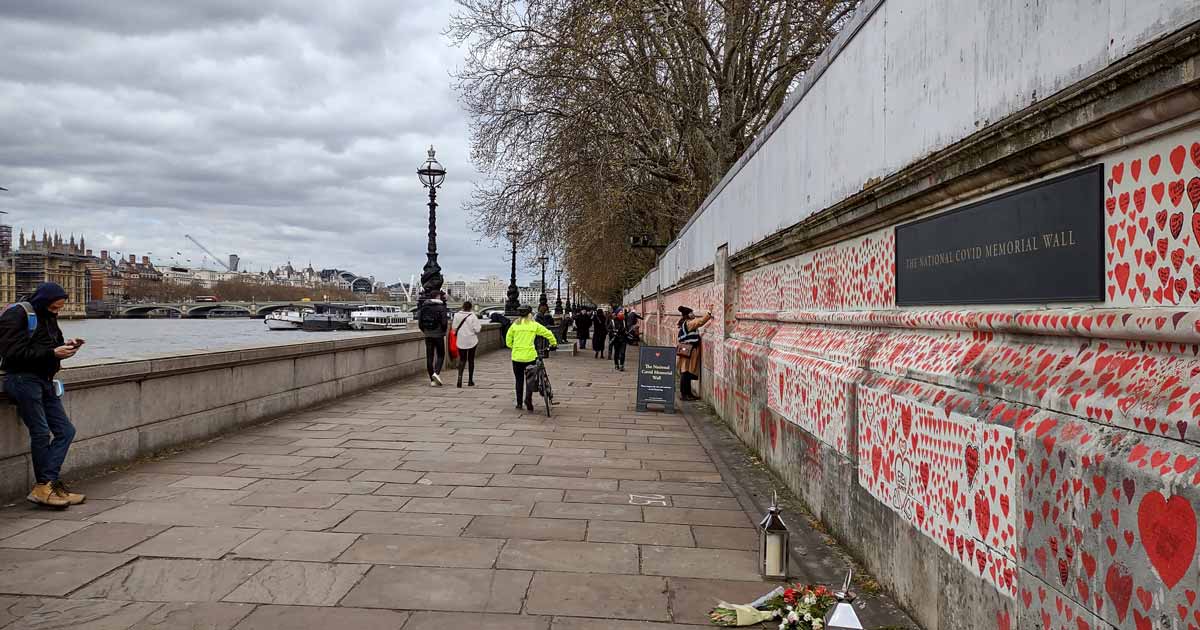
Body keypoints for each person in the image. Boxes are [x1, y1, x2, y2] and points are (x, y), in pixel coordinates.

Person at [0, 283, 86, 507]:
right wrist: (51, 353)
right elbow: (11, 353)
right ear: (44, 300)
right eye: (55, 307)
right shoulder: (17, 314)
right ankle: (45, 487)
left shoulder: (48, 316)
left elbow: (51, 346)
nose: (57, 311)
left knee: (66, 431)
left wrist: (66, 348)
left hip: (45, 381)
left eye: (60, 308)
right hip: (22, 380)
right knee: (40, 433)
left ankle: (47, 485)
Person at [505, 305, 557, 411]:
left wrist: (514, 347)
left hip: (517, 357)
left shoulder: (514, 325)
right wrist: (553, 344)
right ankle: (528, 400)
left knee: (519, 380)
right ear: (529, 314)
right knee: (530, 380)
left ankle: (519, 404)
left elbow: (508, 341)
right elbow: (548, 333)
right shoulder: (534, 325)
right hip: (530, 357)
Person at [676, 305, 714, 401]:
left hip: (688, 350)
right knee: (686, 372)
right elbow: (700, 322)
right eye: (691, 313)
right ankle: (685, 394)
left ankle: (688, 393)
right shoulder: (689, 323)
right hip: (689, 350)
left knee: (687, 371)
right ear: (688, 315)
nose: (693, 314)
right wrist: (709, 313)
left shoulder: (685, 323)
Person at [416, 292, 449, 386]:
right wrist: (443, 331)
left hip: (428, 335)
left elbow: (420, 323)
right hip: (438, 335)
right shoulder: (441, 307)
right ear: (437, 297)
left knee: (429, 357)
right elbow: (444, 323)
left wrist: (426, 331)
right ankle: (436, 373)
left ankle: (432, 380)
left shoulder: (424, 307)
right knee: (441, 355)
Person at [451, 301, 483, 388]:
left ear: (463, 307)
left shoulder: (457, 315)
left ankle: (459, 379)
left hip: (461, 340)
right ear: (470, 307)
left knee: (462, 359)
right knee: (471, 360)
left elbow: (454, 327)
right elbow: (478, 329)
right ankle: (470, 380)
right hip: (472, 340)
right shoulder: (473, 316)